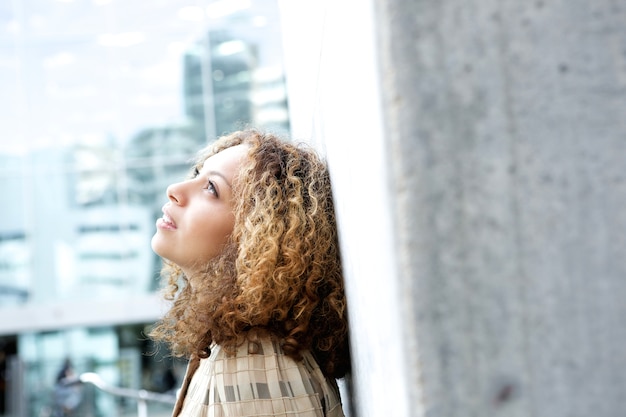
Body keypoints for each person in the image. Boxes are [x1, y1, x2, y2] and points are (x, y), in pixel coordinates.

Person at [149, 129, 351, 417]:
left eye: (211, 188)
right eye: (196, 173)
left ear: (258, 235)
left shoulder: (256, 361)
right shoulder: (235, 347)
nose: (175, 189)